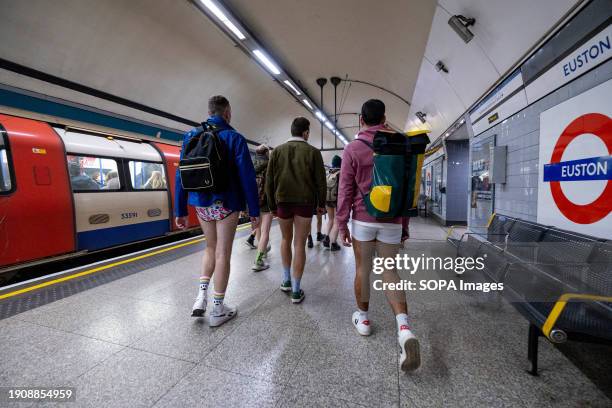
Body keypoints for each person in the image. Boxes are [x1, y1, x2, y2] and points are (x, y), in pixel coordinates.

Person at [336, 99, 420, 372]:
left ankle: (363, 319)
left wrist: (341, 224)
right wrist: (404, 225)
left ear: (361, 119)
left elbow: (345, 189)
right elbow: (408, 189)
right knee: (390, 272)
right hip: (393, 221)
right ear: (384, 118)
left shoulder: (353, 148)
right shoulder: (401, 147)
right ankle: (404, 328)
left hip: (363, 219)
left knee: (363, 269)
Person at [175, 95, 260, 327]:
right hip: (226, 203)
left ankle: (200, 298)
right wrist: (254, 211)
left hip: (201, 204)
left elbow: (180, 173)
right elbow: (248, 178)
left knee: (210, 249)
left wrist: (180, 209)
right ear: (227, 113)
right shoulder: (234, 138)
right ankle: (218, 309)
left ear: (209, 111)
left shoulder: (191, 135)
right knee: (223, 252)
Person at [265, 117, 326, 304]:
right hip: (305, 203)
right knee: (299, 243)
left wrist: (272, 206)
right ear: (305, 132)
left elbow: (269, 181)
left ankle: (285, 280)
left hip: (282, 202)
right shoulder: (314, 152)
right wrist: (321, 204)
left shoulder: (276, 152)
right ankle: (297, 290)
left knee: (285, 239)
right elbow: (321, 183)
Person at [251, 144, 273, 271]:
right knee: (265, 232)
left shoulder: (250, 164)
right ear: (266, 153)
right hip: (267, 201)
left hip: (253, 202)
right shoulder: (270, 164)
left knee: (258, 229)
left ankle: (262, 252)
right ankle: (258, 261)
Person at [323, 155, 342, 251]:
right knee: (337, 221)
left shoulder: (328, 173)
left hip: (328, 200)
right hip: (337, 200)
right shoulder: (341, 173)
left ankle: (326, 238)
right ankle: (333, 243)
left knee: (330, 219)